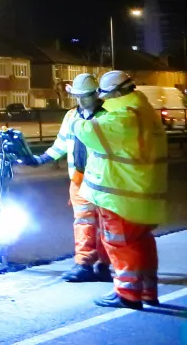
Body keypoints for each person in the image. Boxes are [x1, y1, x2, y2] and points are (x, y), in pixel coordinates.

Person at [67, 70, 168, 309]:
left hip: (119, 195)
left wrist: (75, 117)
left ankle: (127, 295)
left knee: (120, 244)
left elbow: (87, 131)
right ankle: (146, 291)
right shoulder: (145, 113)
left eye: (103, 94)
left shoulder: (123, 117)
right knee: (141, 242)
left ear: (116, 93)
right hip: (141, 192)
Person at [24, 74, 111, 282]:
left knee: (105, 224)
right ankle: (84, 264)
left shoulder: (107, 116)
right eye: (77, 96)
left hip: (102, 179)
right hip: (80, 179)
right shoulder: (72, 115)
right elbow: (62, 143)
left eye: (84, 96)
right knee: (84, 222)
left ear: (95, 94)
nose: (80, 100)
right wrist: (41, 159)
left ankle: (104, 264)